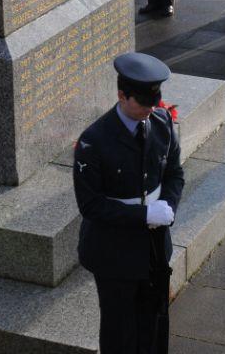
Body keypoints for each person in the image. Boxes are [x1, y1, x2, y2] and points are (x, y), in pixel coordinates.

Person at [73, 52, 184, 354]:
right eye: (142, 104)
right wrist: (144, 213)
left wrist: (169, 207)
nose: (149, 110)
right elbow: (91, 205)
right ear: (122, 95)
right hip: (114, 252)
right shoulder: (94, 141)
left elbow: (174, 174)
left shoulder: (160, 123)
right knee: (120, 332)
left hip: (154, 247)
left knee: (154, 326)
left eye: (154, 103)